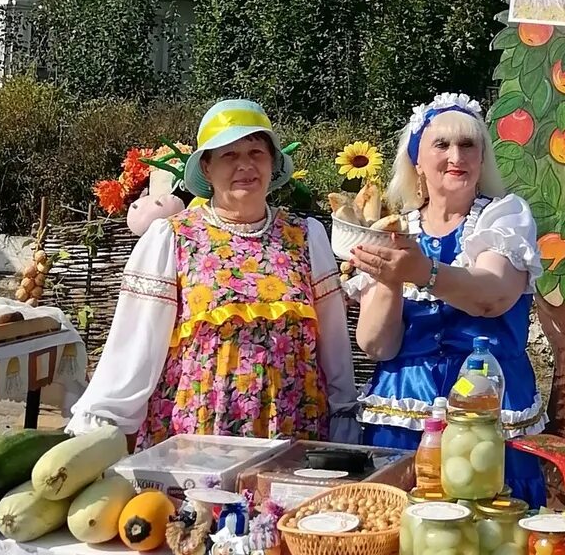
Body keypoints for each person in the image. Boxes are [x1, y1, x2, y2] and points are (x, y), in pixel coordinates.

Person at [69, 100, 359, 448]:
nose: (245, 166)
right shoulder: (173, 238)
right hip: (199, 433)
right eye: (229, 155)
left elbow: (334, 343)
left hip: (294, 431)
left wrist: (343, 416)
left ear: (272, 163)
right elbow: (136, 344)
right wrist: (103, 425)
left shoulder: (306, 236)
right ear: (206, 168)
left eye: (256, 152)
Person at [351, 92, 548, 507]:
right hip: (403, 407)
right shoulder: (393, 227)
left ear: (482, 158)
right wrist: (389, 278)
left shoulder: (504, 216)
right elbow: (376, 344)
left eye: (468, 144)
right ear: (416, 160)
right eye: (441, 144)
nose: (456, 155)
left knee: (490, 531)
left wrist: (421, 272)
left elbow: (491, 297)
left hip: (488, 406)